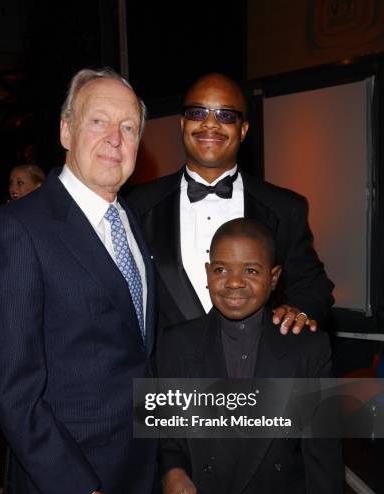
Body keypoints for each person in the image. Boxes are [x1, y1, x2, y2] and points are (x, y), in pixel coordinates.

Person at [0, 68, 161, 494]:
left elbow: (136, 350)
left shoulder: (131, 218)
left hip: (142, 479)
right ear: (65, 131)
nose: (116, 138)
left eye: (129, 127)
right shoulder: (20, 228)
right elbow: (13, 387)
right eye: (99, 122)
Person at [157, 218, 343, 494]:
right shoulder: (174, 345)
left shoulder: (307, 349)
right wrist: (172, 472)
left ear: (275, 278)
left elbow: (323, 456)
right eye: (221, 269)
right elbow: (168, 433)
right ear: (207, 274)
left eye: (252, 270)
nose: (234, 282)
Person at [128, 73, 334, 334]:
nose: (210, 124)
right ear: (182, 124)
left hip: (254, 370)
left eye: (225, 115)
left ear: (243, 130)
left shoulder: (284, 208)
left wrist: (299, 311)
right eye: (198, 113)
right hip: (166, 371)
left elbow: (313, 288)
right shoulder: (137, 205)